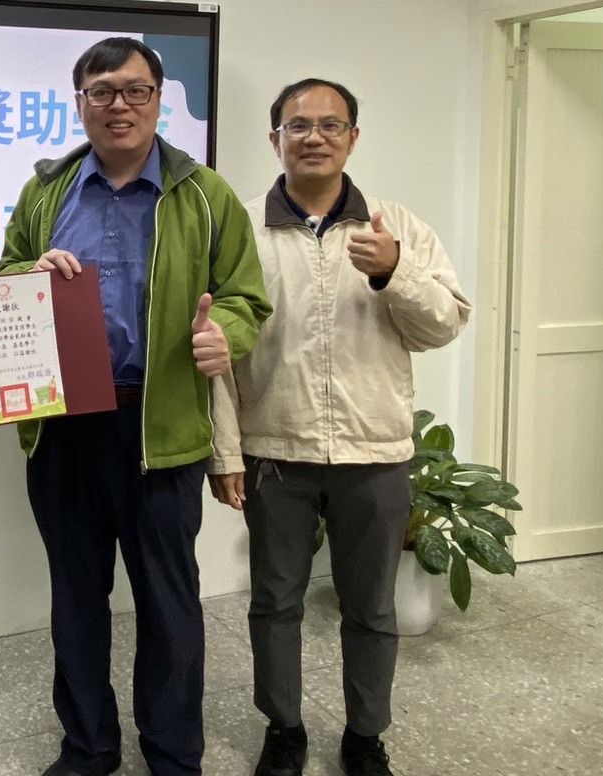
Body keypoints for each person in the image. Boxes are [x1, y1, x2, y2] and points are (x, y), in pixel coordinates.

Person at [0, 37, 272, 776]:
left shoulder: (205, 194)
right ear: (80, 101)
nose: (119, 105)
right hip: (63, 426)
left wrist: (225, 334)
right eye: (102, 91)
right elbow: (5, 272)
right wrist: (28, 271)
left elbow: (245, 296)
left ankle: (173, 753)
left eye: (135, 90)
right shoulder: (45, 192)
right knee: (75, 598)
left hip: (162, 426)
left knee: (169, 603)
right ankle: (87, 747)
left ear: (157, 100)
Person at [208, 79, 471, 776]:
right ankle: (284, 729)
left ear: (354, 137)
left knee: (372, 608)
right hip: (275, 453)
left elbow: (444, 325)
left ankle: (365, 735)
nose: (314, 137)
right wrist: (226, 453)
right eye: (298, 126)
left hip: (375, 453)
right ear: (275, 139)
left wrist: (396, 272)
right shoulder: (240, 231)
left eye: (331, 125)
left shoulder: (395, 226)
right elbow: (220, 356)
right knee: (274, 604)